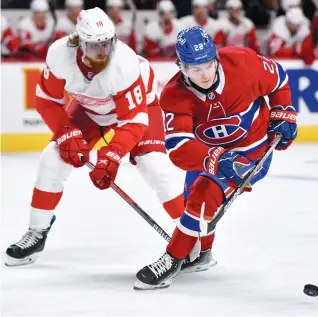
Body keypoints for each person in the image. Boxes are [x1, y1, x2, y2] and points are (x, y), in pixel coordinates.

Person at [5, 7, 185, 266]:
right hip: (91, 110)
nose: (104, 51)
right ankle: (37, 230)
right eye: (95, 45)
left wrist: (110, 156)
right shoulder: (59, 54)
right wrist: (66, 133)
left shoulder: (123, 63)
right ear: (79, 42)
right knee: (52, 158)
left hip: (139, 110)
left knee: (155, 167)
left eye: (108, 43)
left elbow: (133, 122)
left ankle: (192, 239)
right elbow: (46, 101)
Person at [133, 26, 297, 290]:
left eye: (209, 65)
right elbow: (178, 147)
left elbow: (278, 78)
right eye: (195, 69)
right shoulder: (174, 95)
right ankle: (202, 254)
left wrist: (282, 110)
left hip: (252, 150)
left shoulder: (242, 63)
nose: (205, 74)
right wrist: (218, 159)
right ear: (181, 67)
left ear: (216, 58)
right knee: (193, 202)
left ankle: (172, 258)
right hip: (209, 153)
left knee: (204, 193)